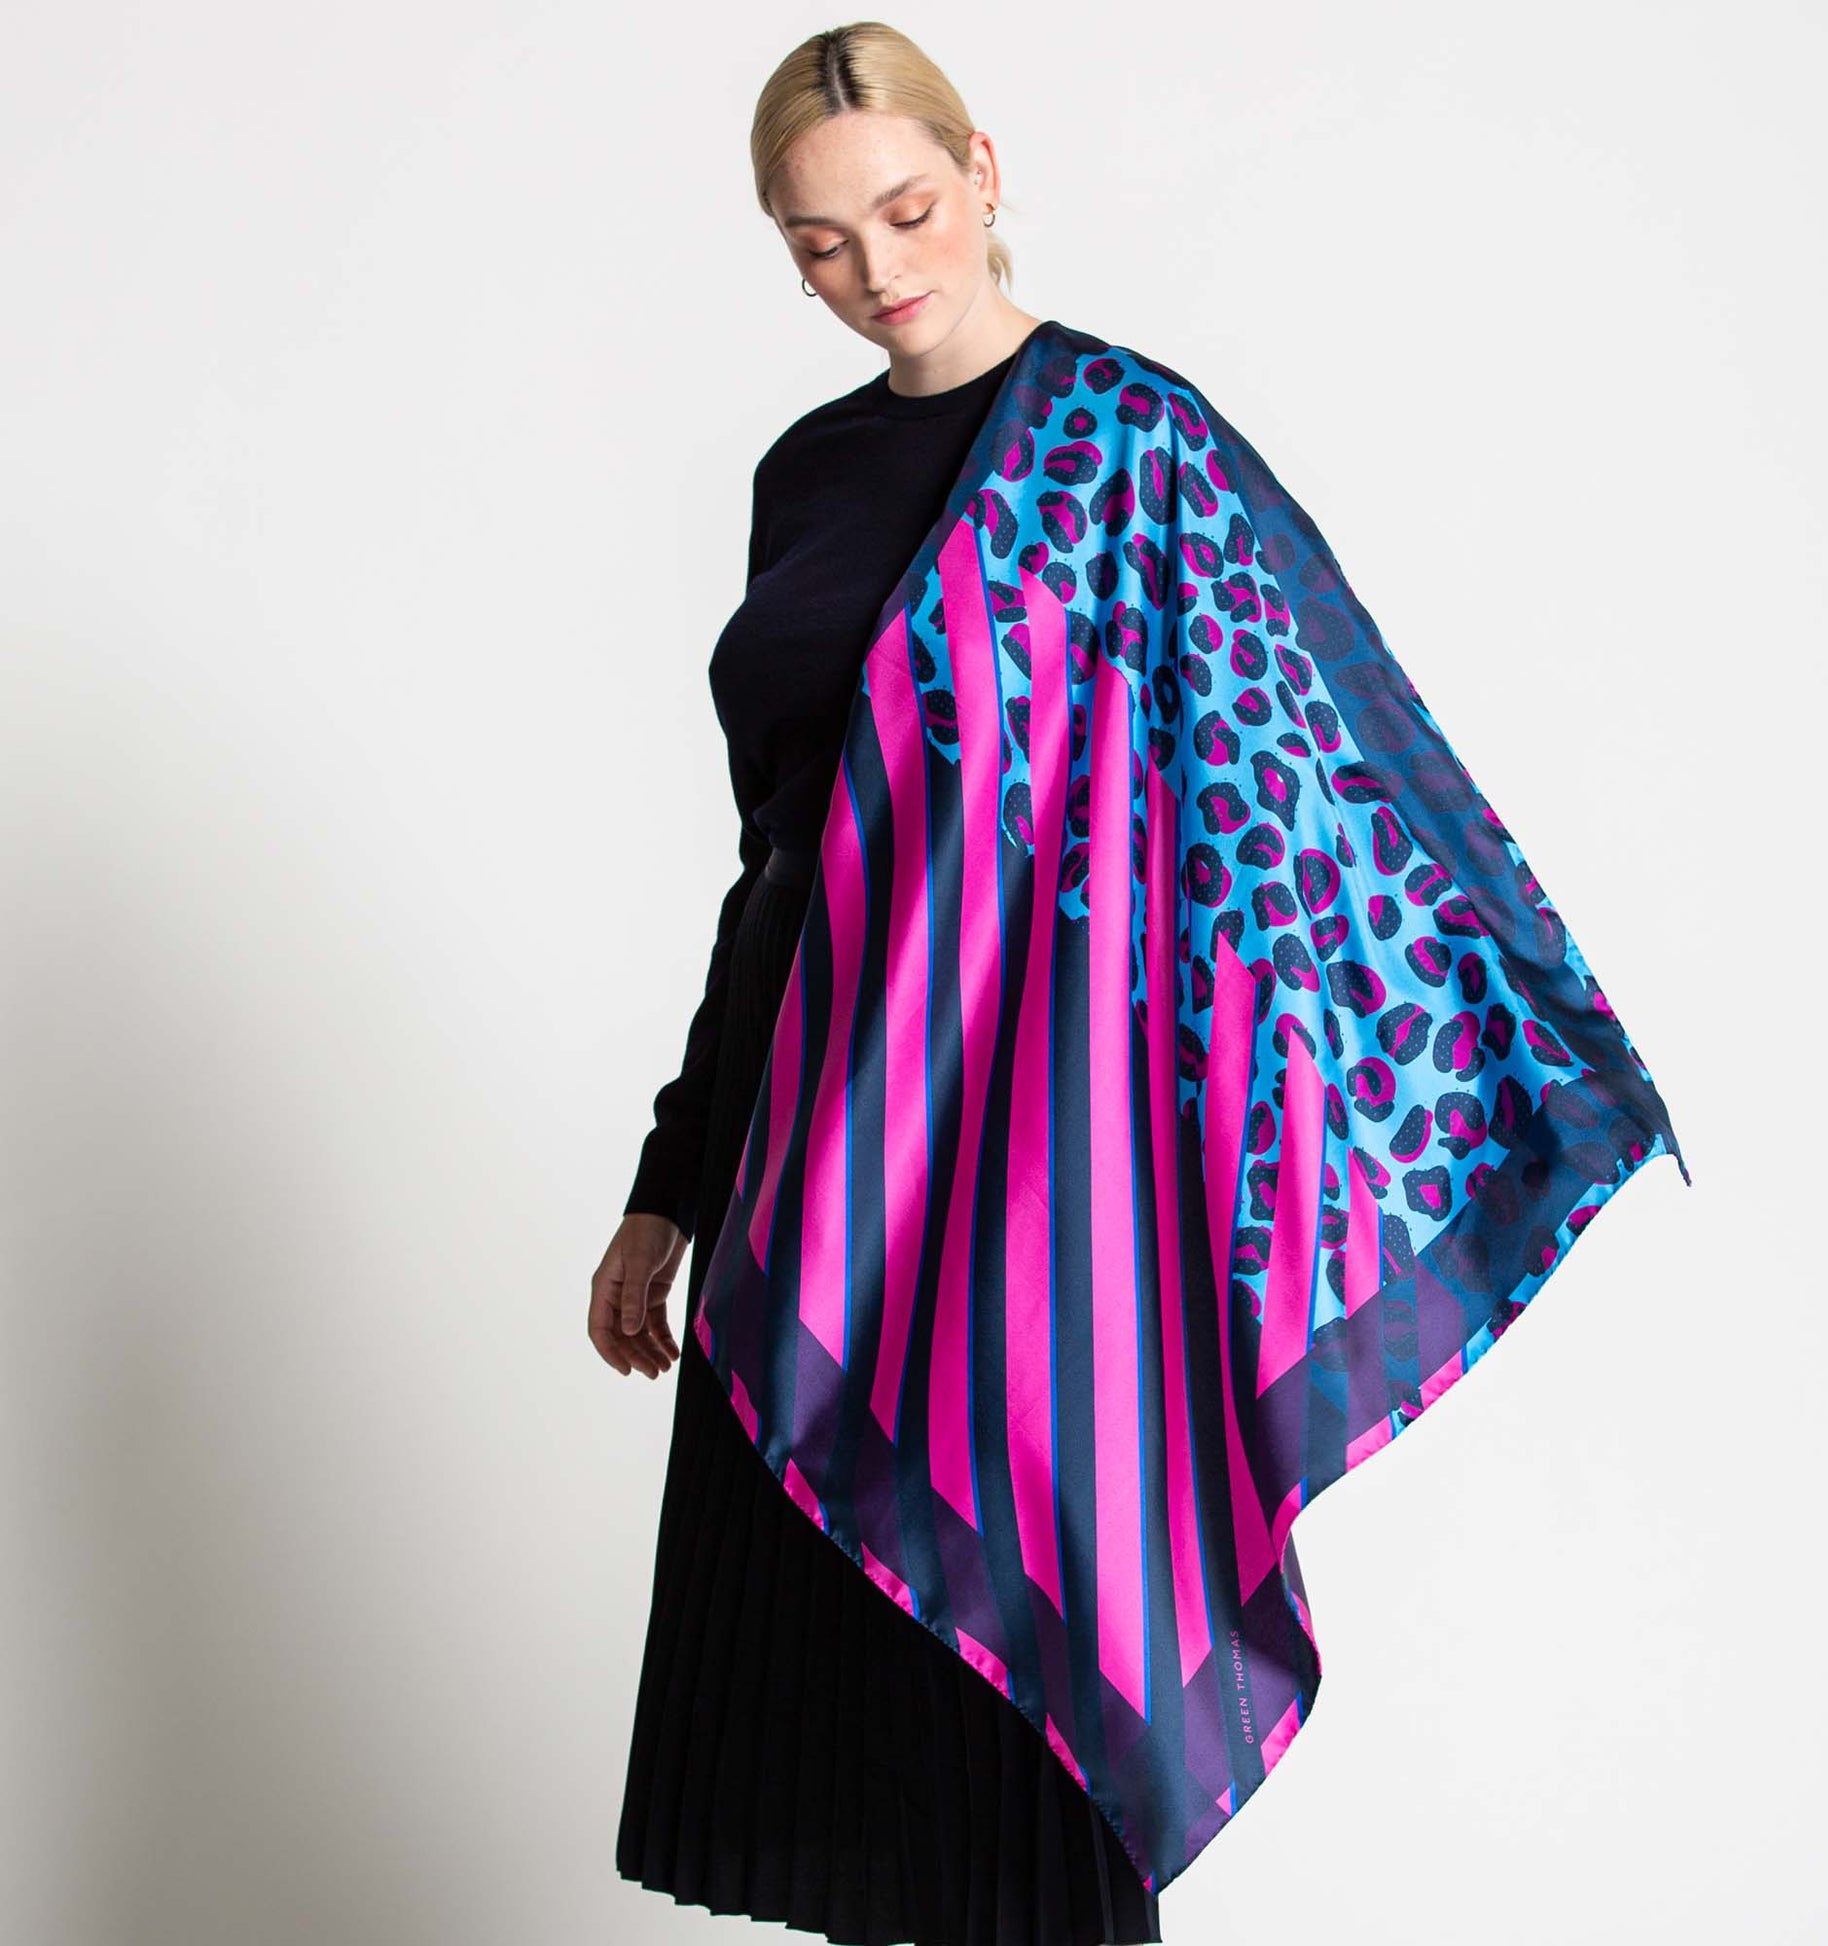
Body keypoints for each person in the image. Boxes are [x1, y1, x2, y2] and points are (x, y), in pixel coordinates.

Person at [590, 22, 1168, 1946]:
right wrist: (674, 1182)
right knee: (851, 1775)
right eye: (819, 244)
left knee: (1026, 1770)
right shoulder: (811, 476)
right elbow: (782, 865)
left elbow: (1270, 813)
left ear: (982, 172)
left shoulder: (1128, 447)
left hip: (1039, 1203)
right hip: (812, 1175)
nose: (876, 270)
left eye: (906, 213)